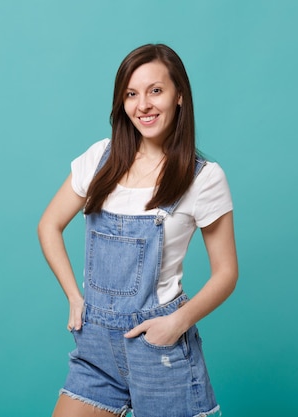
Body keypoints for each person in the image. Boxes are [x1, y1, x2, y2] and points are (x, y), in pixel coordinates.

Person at [38, 44, 238, 417]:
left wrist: (176, 324)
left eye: (155, 91)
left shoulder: (204, 178)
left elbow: (226, 273)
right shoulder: (100, 159)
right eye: (131, 94)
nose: (142, 105)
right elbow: (49, 225)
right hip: (96, 348)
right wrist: (74, 296)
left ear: (179, 96)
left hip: (159, 351)